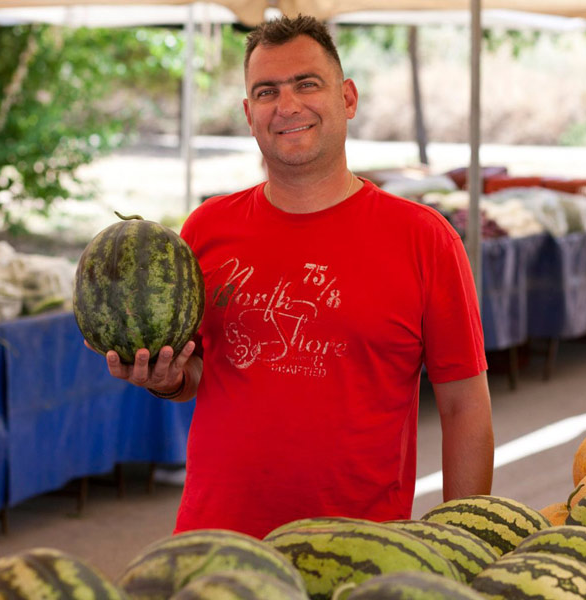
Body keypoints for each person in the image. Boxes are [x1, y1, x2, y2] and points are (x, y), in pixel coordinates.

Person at [101, 15, 494, 539]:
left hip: (359, 551)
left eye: (307, 83)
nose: (287, 106)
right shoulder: (205, 230)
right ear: (249, 112)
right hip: (215, 544)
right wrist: (166, 381)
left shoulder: (425, 238)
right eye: (267, 92)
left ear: (347, 98)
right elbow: (194, 373)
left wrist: (463, 542)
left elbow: (465, 404)